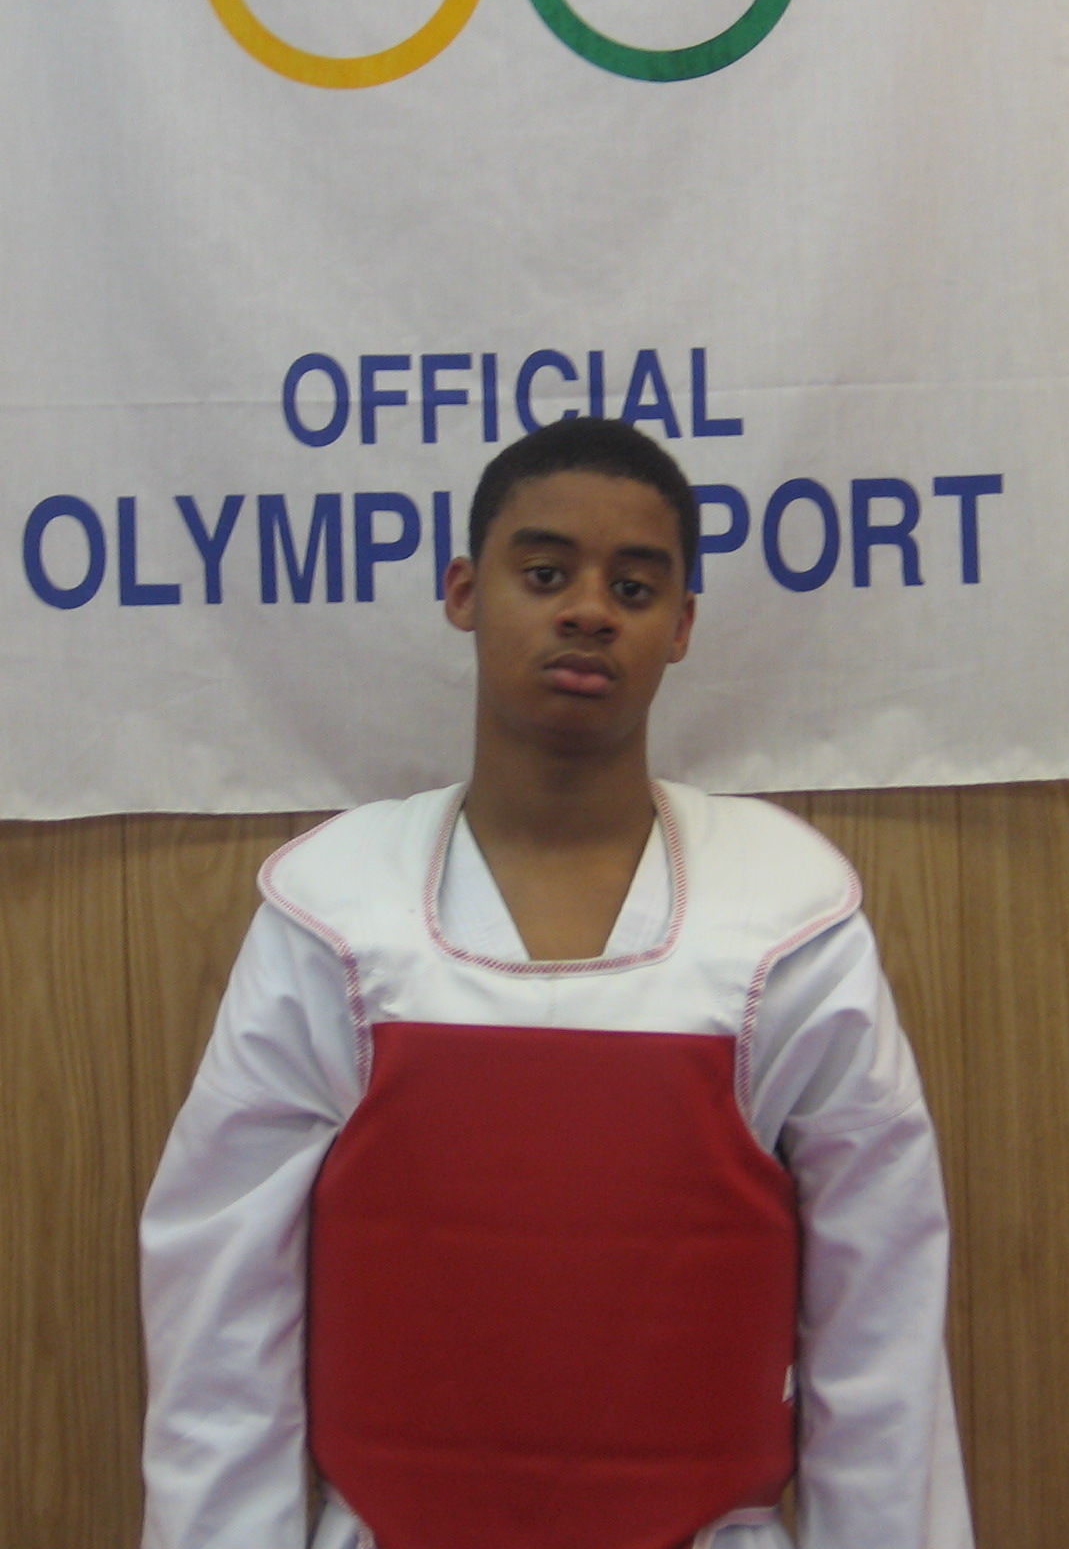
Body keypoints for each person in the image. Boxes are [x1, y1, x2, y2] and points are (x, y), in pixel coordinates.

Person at [139, 420, 973, 1549]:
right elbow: (218, 1317)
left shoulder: (783, 925)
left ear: (682, 626)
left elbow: (882, 1321)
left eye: (633, 586)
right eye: (543, 575)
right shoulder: (335, 918)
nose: (588, 611)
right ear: (464, 592)